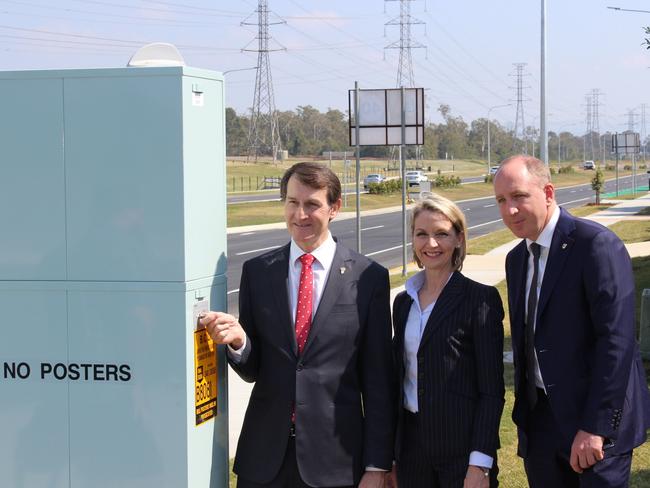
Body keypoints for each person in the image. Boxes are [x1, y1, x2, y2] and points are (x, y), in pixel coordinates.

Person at [201, 162, 395, 488]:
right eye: (292, 202)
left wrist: (376, 465)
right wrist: (239, 342)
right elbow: (254, 369)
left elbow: (378, 381)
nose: (300, 215)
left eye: (312, 204)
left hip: (336, 462)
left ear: (335, 208)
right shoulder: (258, 272)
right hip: (264, 460)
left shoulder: (368, 278)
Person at [493, 154, 650, 487]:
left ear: (548, 193)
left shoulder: (596, 245)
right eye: (502, 201)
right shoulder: (516, 259)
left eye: (519, 196)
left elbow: (617, 342)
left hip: (593, 429)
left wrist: (595, 427)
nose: (510, 210)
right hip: (541, 428)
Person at [388, 194, 505, 488]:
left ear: (459, 239)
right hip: (412, 453)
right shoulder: (403, 302)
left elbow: (491, 391)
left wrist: (480, 464)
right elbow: (401, 382)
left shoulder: (480, 300)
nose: (431, 244)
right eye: (421, 234)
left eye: (441, 234)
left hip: (462, 453)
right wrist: (390, 456)